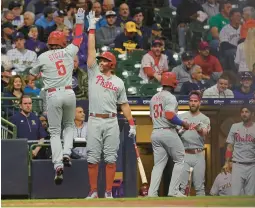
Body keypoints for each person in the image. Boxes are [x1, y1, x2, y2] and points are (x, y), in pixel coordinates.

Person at [29, 8, 85, 185]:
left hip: (53, 94)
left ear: (49, 43)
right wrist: (80, 21)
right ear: (62, 42)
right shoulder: (68, 51)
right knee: (69, 126)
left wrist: (39, 74)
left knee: (54, 132)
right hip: (69, 92)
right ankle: (68, 153)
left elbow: (31, 75)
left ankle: (58, 164)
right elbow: (78, 38)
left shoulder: (43, 56)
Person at [85, 11, 136, 199]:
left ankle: (107, 192)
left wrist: (131, 123)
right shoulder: (94, 74)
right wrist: (91, 29)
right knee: (92, 159)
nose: (101, 61)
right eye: (101, 59)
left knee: (111, 159)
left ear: (111, 64)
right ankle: (93, 191)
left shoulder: (118, 82)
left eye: (104, 59)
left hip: (111, 121)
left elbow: (124, 105)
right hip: (95, 120)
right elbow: (91, 52)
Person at [148, 72, 190, 197]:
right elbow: (170, 115)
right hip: (167, 131)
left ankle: (152, 192)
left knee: (158, 164)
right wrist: (183, 123)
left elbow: (151, 117)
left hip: (155, 131)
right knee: (180, 159)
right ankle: (174, 191)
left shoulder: (154, 97)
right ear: (173, 83)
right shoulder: (171, 97)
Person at [178, 91, 211, 196]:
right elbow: (175, 133)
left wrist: (199, 129)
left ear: (199, 103)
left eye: (195, 101)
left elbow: (205, 132)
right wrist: (182, 129)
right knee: (181, 188)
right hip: (184, 153)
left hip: (198, 154)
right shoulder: (181, 116)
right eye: (191, 101)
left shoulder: (204, 118)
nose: (193, 103)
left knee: (200, 187)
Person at [224, 106, 255, 196]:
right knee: (235, 194)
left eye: (247, 112)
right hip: (237, 165)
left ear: (252, 114)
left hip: (252, 165)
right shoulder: (234, 126)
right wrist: (227, 162)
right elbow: (229, 146)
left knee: (251, 196)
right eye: (242, 112)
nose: (244, 114)